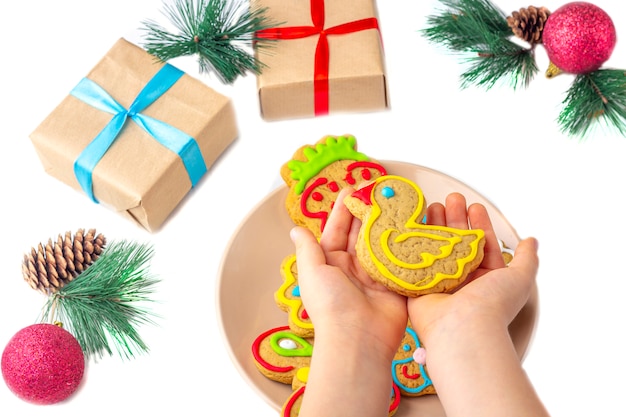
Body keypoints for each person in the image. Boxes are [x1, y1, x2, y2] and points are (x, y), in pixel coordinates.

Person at [290, 187, 550, 417]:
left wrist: (349, 332)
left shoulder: (394, 240)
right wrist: (469, 328)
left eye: (380, 194)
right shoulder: (379, 237)